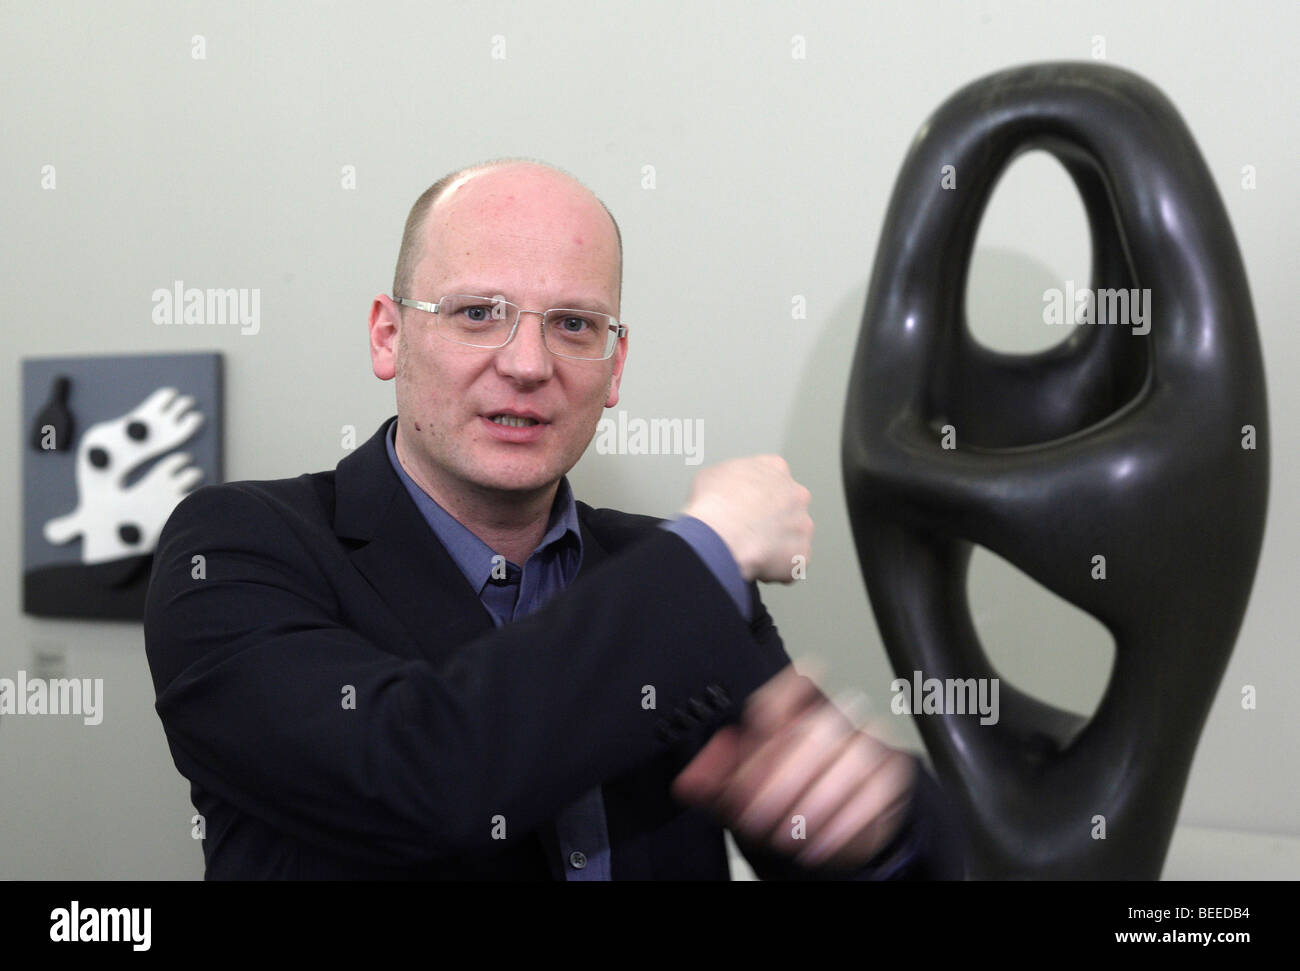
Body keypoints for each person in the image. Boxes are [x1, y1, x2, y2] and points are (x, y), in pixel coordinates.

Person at [143, 158, 963, 879]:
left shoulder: (659, 568)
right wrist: (711, 546)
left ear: (614, 367)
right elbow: (414, 775)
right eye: (477, 313)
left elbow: (852, 834)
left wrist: (872, 833)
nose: (529, 364)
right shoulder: (236, 546)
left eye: (574, 324)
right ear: (388, 336)